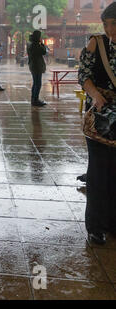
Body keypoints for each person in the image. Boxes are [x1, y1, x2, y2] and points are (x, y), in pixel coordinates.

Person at [78, 1, 116, 245]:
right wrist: (95, 94)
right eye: (107, 24)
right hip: (102, 117)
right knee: (99, 171)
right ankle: (96, 226)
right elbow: (83, 74)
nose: (110, 29)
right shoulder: (97, 43)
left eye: (114, 24)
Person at [27, 30, 47, 106]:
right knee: (38, 84)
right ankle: (35, 100)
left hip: (32, 65)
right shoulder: (35, 44)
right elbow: (44, 51)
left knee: (35, 83)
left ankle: (33, 99)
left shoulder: (30, 43)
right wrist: (42, 43)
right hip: (37, 66)